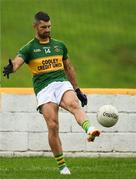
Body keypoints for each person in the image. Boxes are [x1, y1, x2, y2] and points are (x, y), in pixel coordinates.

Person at [3, 11, 100, 175]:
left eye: (49, 26)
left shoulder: (59, 45)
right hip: (43, 89)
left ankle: (90, 129)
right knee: (53, 125)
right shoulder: (29, 48)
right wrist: (11, 67)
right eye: (43, 27)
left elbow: (69, 67)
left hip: (61, 83)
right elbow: (17, 63)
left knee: (73, 104)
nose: (47, 29)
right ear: (35, 27)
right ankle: (62, 166)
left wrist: (77, 89)